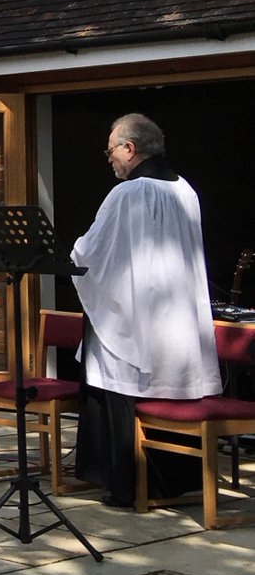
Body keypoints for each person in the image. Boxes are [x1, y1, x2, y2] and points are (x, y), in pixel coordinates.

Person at [72, 112, 222, 507]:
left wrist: (74, 253)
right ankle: (172, 482)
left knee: (119, 374)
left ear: (129, 148)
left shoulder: (128, 193)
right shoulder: (185, 189)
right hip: (178, 321)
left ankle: (128, 484)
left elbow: (95, 253)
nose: (110, 160)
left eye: (111, 152)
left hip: (137, 319)